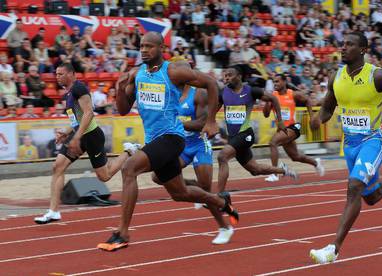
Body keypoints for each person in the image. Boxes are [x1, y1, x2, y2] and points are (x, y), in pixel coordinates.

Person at [96, 32, 239, 252]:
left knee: (129, 168)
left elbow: (211, 83)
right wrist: (119, 87)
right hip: (154, 140)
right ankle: (221, 202)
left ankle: (122, 233)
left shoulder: (172, 71)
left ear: (161, 48)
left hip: (173, 137)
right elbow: (123, 110)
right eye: (141, 46)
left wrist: (210, 121)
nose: (144, 50)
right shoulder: (137, 73)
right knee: (179, 193)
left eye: (149, 47)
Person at [309, 32, 382, 264]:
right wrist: (318, 118)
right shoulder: (335, 77)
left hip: (373, 142)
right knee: (371, 196)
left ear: (363, 50)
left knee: (354, 186)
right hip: (350, 145)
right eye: (342, 44)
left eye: (350, 45)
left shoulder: (378, 76)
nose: (343, 48)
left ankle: (333, 249)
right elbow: (328, 107)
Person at [34, 63, 140, 224]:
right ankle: (53, 211)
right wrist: (67, 132)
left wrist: (76, 137)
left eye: (60, 74)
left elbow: (89, 113)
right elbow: (77, 119)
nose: (57, 77)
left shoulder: (79, 88)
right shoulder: (68, 94)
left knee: (104, 176)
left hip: (91, 136)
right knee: (58, 166)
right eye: (56, 74)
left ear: (70, 74)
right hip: (79, 134)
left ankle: (128, 152)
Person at [151, 61, 234, 244]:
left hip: (198, 145)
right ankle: (194, 188)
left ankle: (225, 228)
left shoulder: (199, 94)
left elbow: (201, 124)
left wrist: (177, 124)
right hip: (180, 145)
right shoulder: (171, 92)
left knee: (206, 190)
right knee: (158, 177)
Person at [216, 66, 297, 193]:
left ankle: (218, 196)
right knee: (255, 169)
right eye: (225, 75)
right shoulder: (222, 93)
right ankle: (283, 170)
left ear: (239, 76)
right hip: (233, 137)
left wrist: (280, 120)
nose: (226, 78)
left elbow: (273, 98)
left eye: (229, 75)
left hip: (246, 134)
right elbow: (211, 113)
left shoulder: (251, 91)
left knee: (222, 156)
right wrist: (207, 123)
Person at [263, 74, 325, 182]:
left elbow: (307, 100)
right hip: (282, 130)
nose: (275, 84)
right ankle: (316, 162)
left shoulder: (293, 94)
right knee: (295, 157)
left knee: (273, 142)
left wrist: (311, 117)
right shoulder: (272, 96)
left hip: (293, 127)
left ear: (284, 82)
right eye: (274, 82)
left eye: (277, 81)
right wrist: (267, 103)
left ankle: (274, 173)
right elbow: (266, 114)